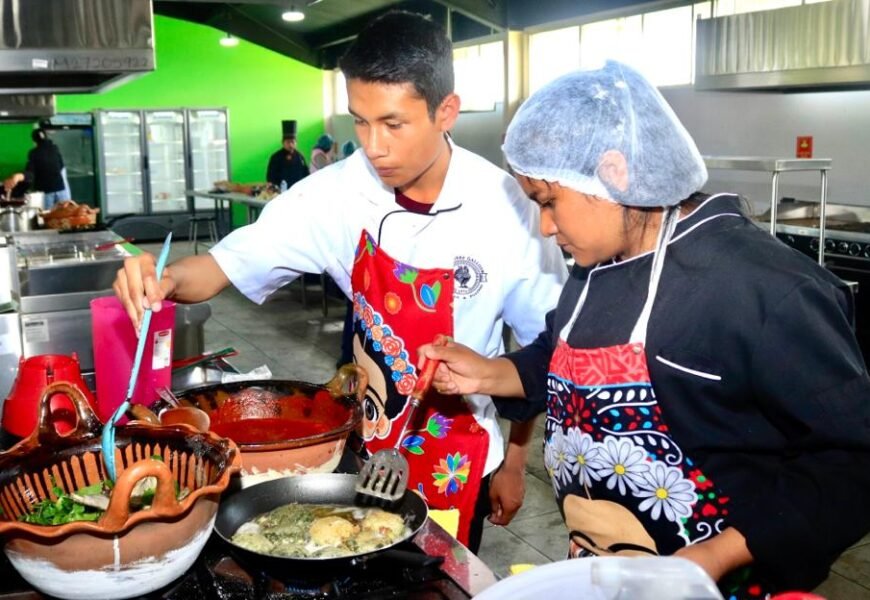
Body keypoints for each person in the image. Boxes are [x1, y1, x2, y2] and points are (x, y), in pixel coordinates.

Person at [113, 10, 567, 552]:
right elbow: (217, 269)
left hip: (460, 455)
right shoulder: (333, 195)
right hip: (361, 446)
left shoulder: (509, 210)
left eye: (393, 124)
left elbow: (541, 353)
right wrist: (161, 278)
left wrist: (516, 462)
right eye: (360, 121)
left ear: (446, 111)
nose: (373, 146)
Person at [419, 61, 870, 597]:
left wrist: (713, 557)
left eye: (548, 201)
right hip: (614, 574)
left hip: (728, 581)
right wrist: (489, 374)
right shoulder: (596, 265)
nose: (544, 225)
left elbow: (852, 461)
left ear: (613, 172)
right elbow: (557, 356)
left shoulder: (764, 290)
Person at [2, 129, 70, 207]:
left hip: (46, 192)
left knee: (46, 215)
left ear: (34, 141)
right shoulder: (55, 148)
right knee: (64, 214)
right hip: (60, 189)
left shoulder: (34, 153)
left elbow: (30, 174)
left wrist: (18, 177)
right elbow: (61, 166)